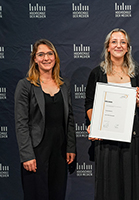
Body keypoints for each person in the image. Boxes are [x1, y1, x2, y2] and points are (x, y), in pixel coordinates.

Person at [85, 28, 139, 200]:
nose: (118, 45)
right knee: (108, 186)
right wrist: (96, 125)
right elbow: (89, 104)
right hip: (105, 140)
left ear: (127, 48)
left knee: (130, 186)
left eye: (123, 42)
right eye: (114, 42)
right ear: (108, 47)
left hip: (130, 138)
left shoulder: (136, 73)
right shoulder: (97, 73)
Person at [14, 39, 76, 200]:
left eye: (50, 53)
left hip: (60, 151)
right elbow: (21, 123)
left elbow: (69, 118)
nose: (46, 58)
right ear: (34, 59)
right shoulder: (25, 85)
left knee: (57, 194)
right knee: (37, 195)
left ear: (55, 57)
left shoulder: (64, 85)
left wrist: (70, 147)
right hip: (37, 150)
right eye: (41, 54)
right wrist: (27, 155)